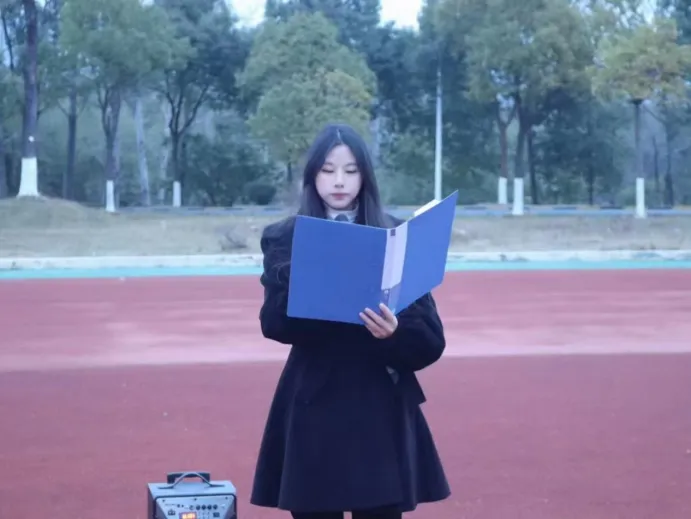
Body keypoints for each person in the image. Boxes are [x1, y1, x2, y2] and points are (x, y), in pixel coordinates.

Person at [250, 123, 451, 519]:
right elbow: (273, 324)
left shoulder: (397, 236)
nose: (339, 181)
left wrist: (393, 334)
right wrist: (323, 296)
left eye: (350, 170)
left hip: (380, 406)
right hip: (313, 405)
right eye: (328, 170)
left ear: (365, 176)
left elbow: (430, 342)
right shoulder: (285, 237)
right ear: (313, 176)